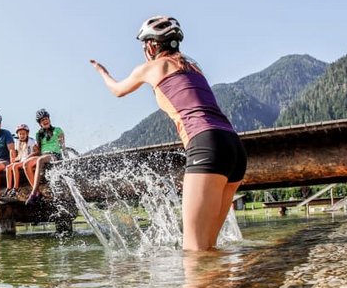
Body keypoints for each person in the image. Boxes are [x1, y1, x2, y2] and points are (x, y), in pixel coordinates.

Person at [90, 15, 246, 251]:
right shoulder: (193, 67)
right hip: (234, 147)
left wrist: (102, 72)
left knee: (193, 251)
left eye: (144, 45)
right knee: (209, 248)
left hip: (206, 144)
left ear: (151, 45)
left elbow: (117, 90)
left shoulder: (151, 67)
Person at [23, 109, 66, 205]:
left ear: (49, 119)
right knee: (26, 163)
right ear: (40, 123)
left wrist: (66, 160)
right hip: (43, 155)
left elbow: (63, 147)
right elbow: (38, 151)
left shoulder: (58, 130)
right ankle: (38, 192)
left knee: (40, 160)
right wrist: (28, 157)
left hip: (54, 155)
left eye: (46, 119)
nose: (45, 121)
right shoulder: (39, 134)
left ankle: (33, 193)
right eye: (42, 120)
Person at [2, 124, 36, 201]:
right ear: (18, 134)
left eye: (24, 134)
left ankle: (16, 188)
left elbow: (37, 151)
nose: (22, 135)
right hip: (21, 160)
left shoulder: (31, 141)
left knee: (15, 166)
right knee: (8, 167)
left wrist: (30, 156)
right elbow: (17, 153)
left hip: (27, 160)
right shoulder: (17, 142)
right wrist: (14, 158)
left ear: (27, 134)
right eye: (20, 134)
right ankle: (9, 187)